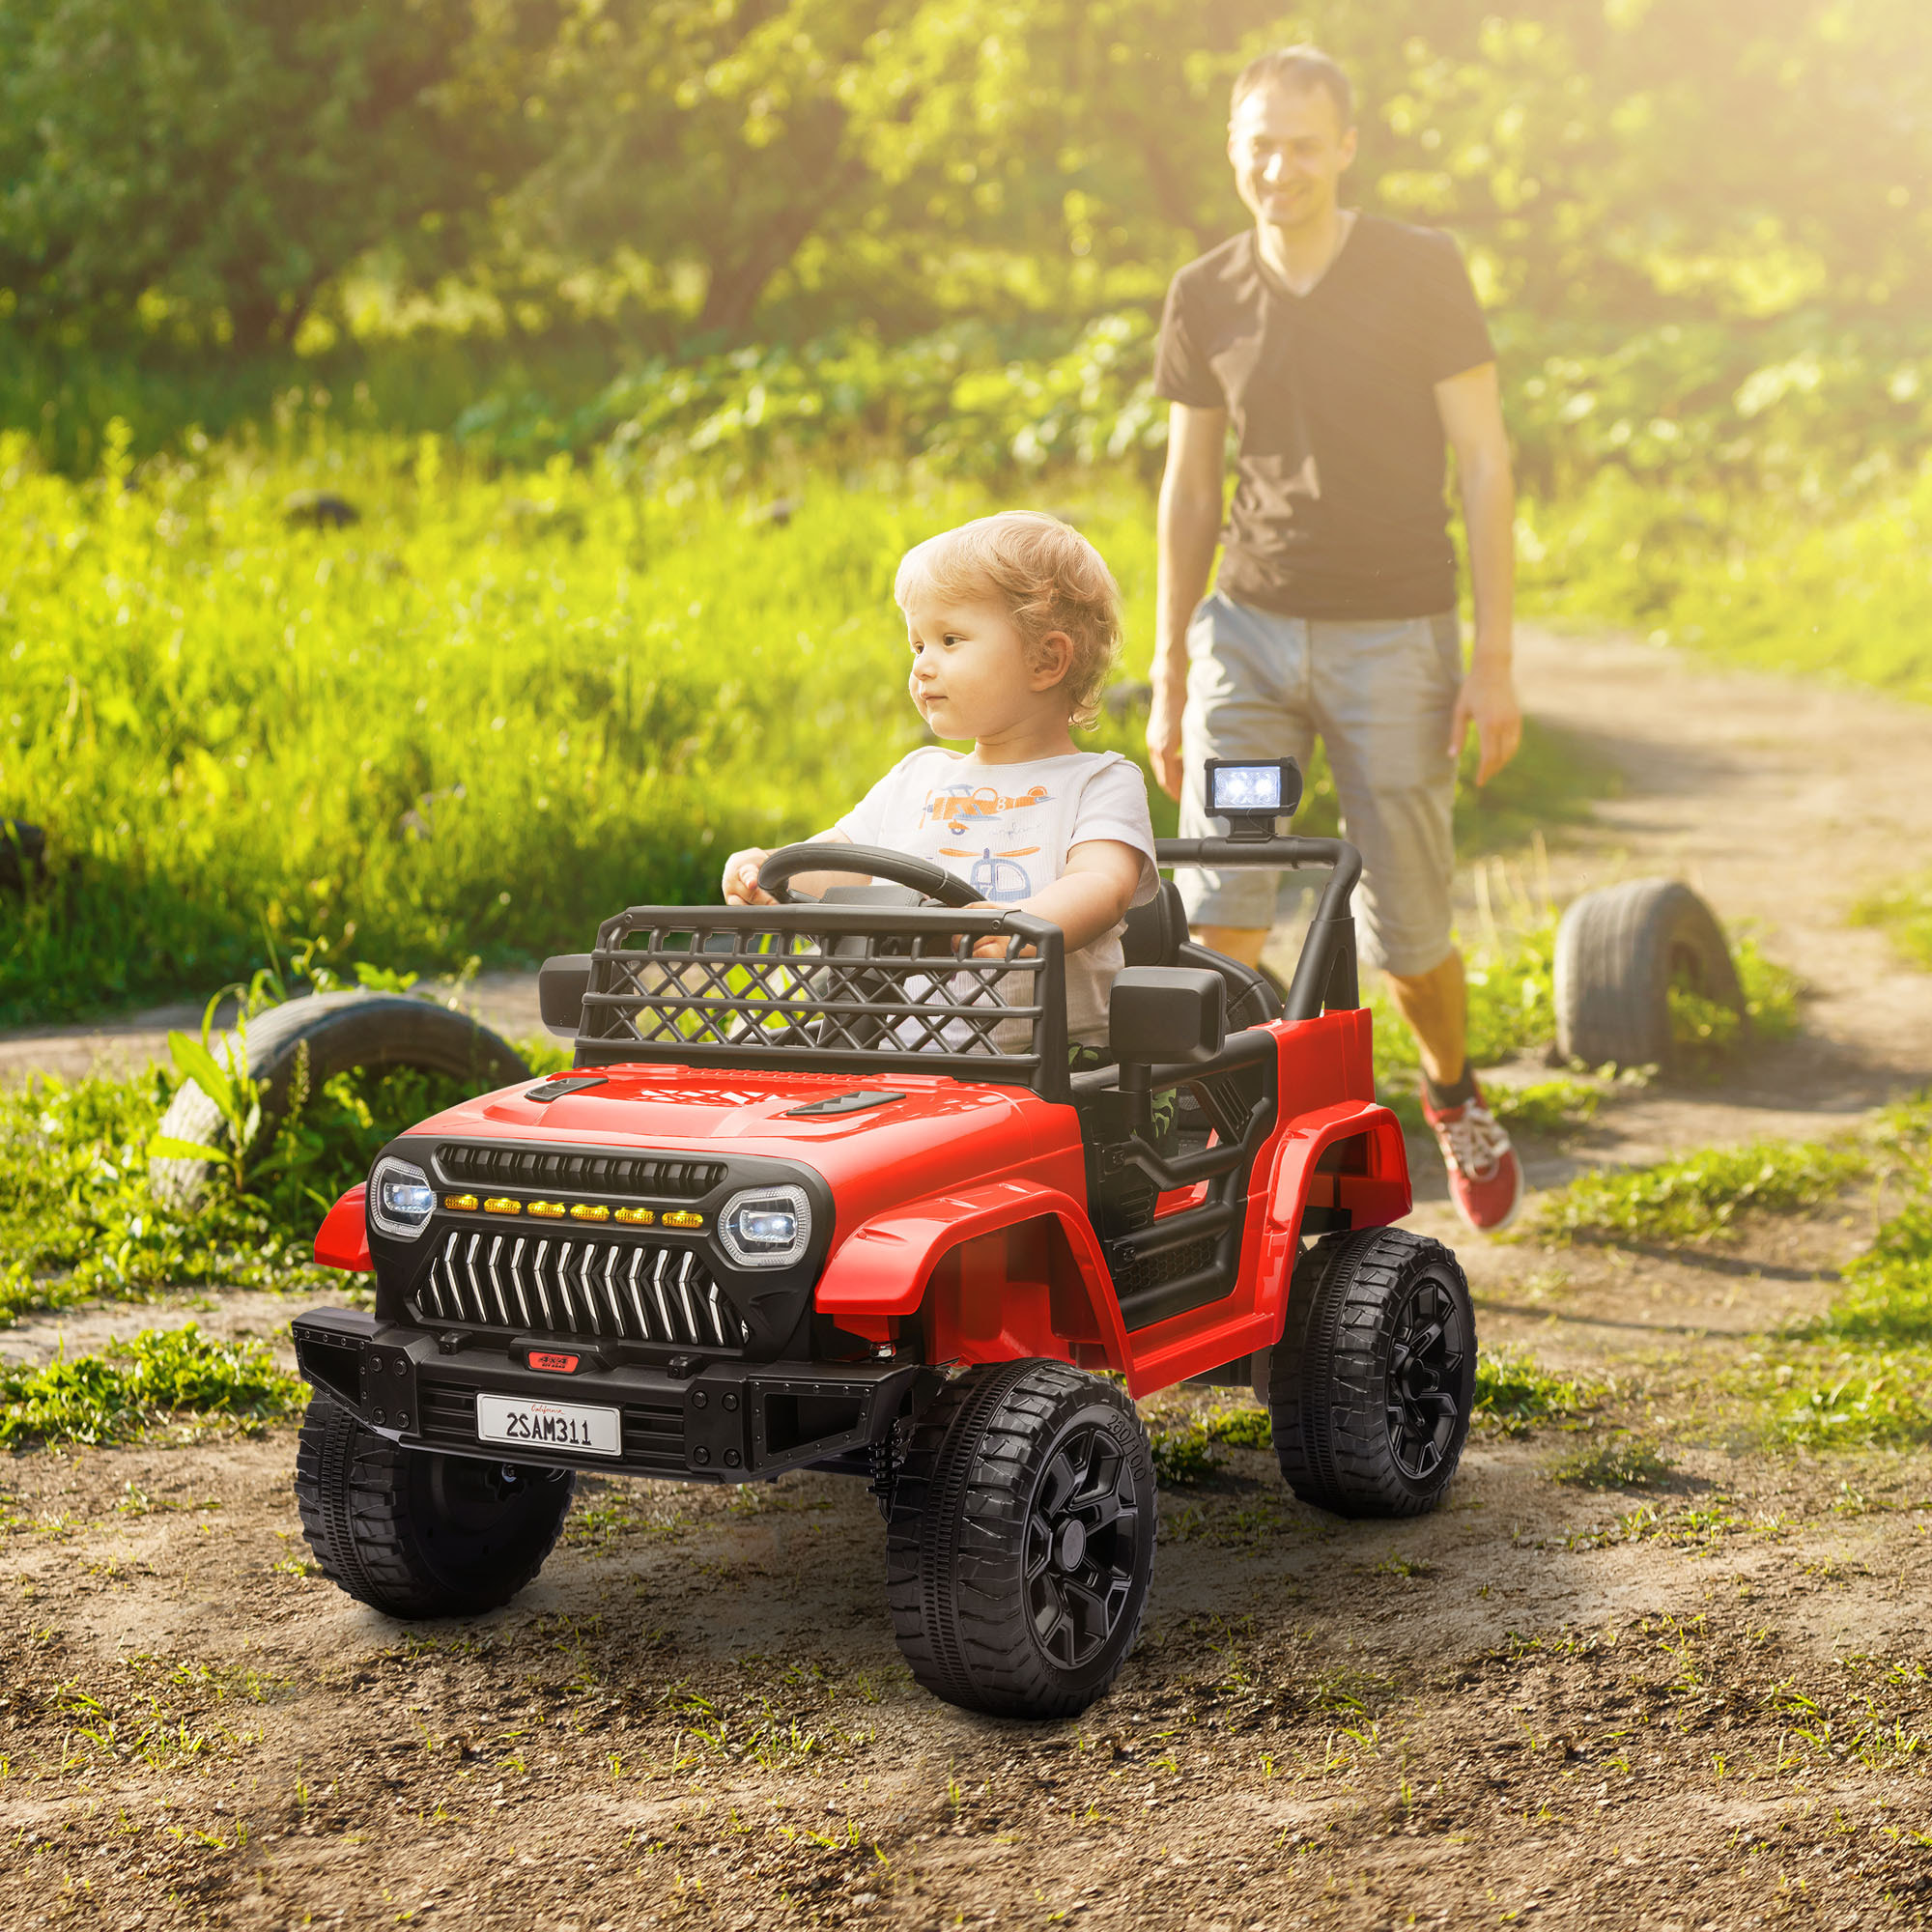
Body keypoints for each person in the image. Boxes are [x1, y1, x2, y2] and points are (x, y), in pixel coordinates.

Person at [1146, 43, 1526, 1233]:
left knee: (1406, 926)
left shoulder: (1419, 270)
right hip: (1248, 642)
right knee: (1225, 900)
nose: (1280, 166)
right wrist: (1168, 668)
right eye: (1258, 143)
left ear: (1345, 146)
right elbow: (1189, 487)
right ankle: (1234, 1161)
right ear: (1231, 149)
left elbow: (1483, 458)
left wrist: (1494, 656)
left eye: (1303, 144)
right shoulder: (1204, 292)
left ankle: (1451, 1092)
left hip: (1393, 643)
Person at [723, 511, 1158, 1051]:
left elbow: (1102, 886)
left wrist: (1020, 927)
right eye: (917, 645)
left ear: (1046, 659)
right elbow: (845, 864)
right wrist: (772, 871)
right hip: (895, 1054)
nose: (923, 666)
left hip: (1055, 1069)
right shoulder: (917, 776)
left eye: (950, 640)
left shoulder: (1099, 782)